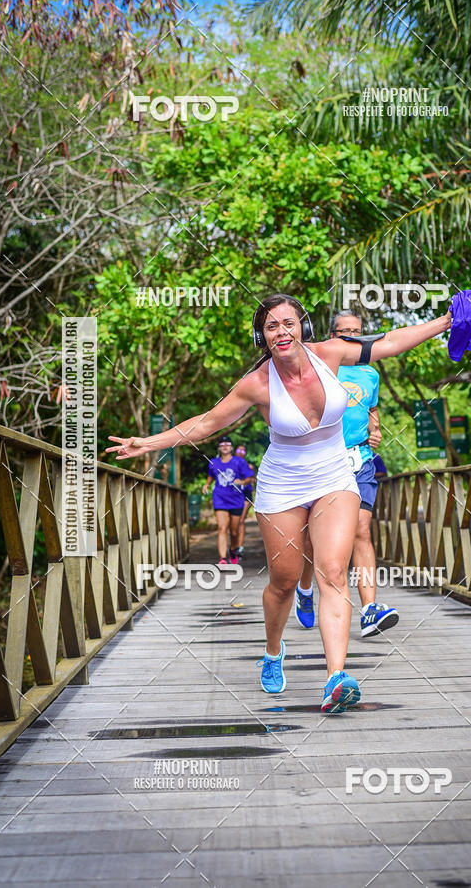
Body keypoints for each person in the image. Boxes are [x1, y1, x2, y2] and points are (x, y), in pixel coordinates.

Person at [107, 293, 451, 713]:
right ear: (263, 336)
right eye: (272, 326)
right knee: (284, 581)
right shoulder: (257, 384)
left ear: (302, 327)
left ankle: (336, 678)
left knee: (332, 573)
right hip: (283, 483)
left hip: (334, 475)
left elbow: (391, 342)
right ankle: (273, 651)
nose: (281, 331)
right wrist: (148, 444)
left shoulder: (332, 353)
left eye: (288, 323)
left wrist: (446, 321)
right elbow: (206, 424)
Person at [295, 310, 399, 639]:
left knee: (361, 530)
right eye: (344, 332)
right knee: (314, 537)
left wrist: (375, 428)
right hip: (323, 460)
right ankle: (305, 587)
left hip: (360, 459)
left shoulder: (370, 374)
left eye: (356, 331)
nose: (351, 336)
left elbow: (371, 408)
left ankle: (369, 609)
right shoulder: (319, 367)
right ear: (331, 335)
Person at [201, 436, 253, 565]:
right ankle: (222, 558)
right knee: (222, 528)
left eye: (227, 444)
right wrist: (207, 484)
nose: (225, 446)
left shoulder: (239, 462)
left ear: (231, 447)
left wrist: (241, 481)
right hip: (220, 498)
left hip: (236, 499)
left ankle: (233, 549)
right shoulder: (213, 462)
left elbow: (249, 478)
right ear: (219, 448)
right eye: (222, 444)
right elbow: (211, 475)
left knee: (234, 532)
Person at [233, 443, 256, 557]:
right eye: (239, 450)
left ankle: (239, 547)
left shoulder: (248, 466)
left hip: (245, 494)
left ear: (245, 454)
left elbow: (253, 478)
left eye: (243, 451)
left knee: (241, 520)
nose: (240, 453)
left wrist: (244, 481)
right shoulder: (230, 463)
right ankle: (234, 545)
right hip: (233, 495)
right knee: (233, 523)